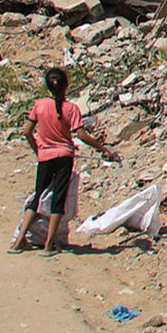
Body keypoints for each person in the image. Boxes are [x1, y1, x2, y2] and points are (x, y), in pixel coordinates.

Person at [10, 67, 114, 254]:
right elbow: (81, 135)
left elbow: (27, 131)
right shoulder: (71, 109)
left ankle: (19, 241)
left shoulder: (39, 105)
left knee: (37, 196)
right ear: (66, 86)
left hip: (45, 157)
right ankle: (50, 244)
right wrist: (104, 148)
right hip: (65, 157)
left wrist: (38, 150)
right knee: (58, 200)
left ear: (48, 86)